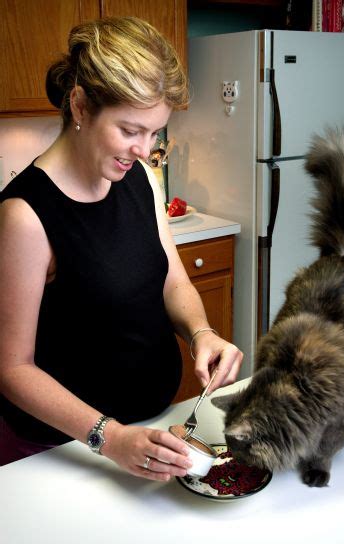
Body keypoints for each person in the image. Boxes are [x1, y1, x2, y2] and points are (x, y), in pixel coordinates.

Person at [0, 16, 243, 478]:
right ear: (80, 106)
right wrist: (108, 437)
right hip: (61, 452)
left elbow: (172, 281)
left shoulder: (140, 181)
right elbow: (12, 369)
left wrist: (201, 333)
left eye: (154, 133)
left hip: (150, 431)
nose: (144, 149)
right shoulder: (25, 215)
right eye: (130, 130)